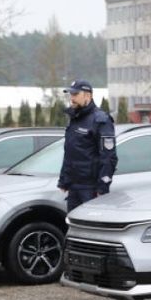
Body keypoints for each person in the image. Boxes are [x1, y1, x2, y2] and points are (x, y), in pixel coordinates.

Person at [57, 80, 117, 212]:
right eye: (70, 95)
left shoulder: (101, 120)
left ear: (87, 96)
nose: (72, 98)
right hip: (74, 188)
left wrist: (102, 187)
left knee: (93, 228)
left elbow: (108, 157)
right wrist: (64, 180)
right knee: (74, 226)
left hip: (91, 189)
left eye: (75, 94)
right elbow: (70, 153)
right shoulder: (74, 118)